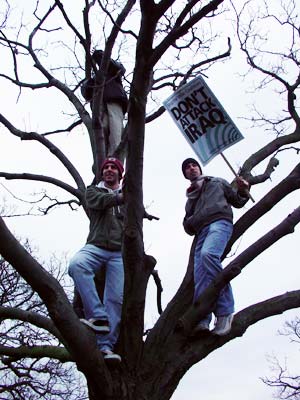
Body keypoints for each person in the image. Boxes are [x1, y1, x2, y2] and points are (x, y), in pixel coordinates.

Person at [181, 157, 250, 336]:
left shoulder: (217, 182)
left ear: (199, 168)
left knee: (208, 255)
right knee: (200, 277)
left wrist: (244, 190)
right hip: (201, 231)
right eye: (187, 168)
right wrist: (191, 222)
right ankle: (202, 320)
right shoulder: (190, 198)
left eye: (193, 165)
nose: (191, 168)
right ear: (186, 175)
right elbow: (186, 225)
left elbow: (238, 201)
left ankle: (225, 311)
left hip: (219, 223)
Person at [68, 157, 125, 363]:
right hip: (96, 245)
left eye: (113, 168)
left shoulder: (130, 196)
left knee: (116, 299)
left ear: (120, 173)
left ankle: (106, 346)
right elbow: (99, 202)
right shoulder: (93, 191)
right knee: (77, 264)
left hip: (120, 252)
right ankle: (97, 315)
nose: (109, 170)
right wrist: (121, 197)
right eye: (106, 168)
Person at [81, 50, 128, 156]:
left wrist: (100, 56)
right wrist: (93, 81)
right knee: (102, 135)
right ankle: (104, 163)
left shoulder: (113, 73)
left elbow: (120, 68)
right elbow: (85, 92)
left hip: (114, 102)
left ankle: (113, 162)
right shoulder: (93, 80)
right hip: (99, 108)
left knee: (116, 136)